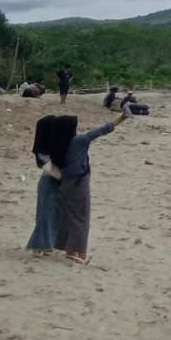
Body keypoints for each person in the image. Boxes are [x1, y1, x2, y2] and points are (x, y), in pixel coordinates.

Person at [54, 110, 129, 265]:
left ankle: (69, 250)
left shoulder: (58, 143)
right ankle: (81, 254)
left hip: (64, 183)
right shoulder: (79, 141)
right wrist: (121, 118)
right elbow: (100, 131)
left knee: (68, 216)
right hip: (78, 183)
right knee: (82, 217)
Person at [26, 115, 67, 255]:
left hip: (53, 183)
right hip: (50, 183)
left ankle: (48, 244)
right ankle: (39, 245)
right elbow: (49, 168)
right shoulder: (43, 152)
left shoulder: (48, 148)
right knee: (46, 215)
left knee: (53, 215)